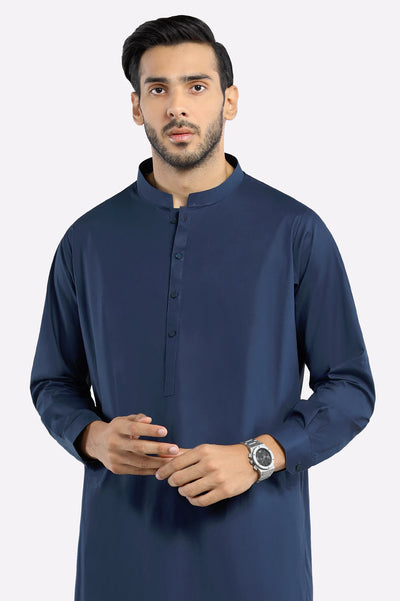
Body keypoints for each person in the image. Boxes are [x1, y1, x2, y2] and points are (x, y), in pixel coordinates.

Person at [30, 14, 375, 601]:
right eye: (157, 89)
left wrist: (260, 456)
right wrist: (92, 437)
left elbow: (350, 387)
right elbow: (52, 382)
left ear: (229, 100)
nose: (177, 107)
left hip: (258, 562)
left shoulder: (295, 231)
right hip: (120, 561)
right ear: (136, 107)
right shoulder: (86, 240)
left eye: (196, 86)